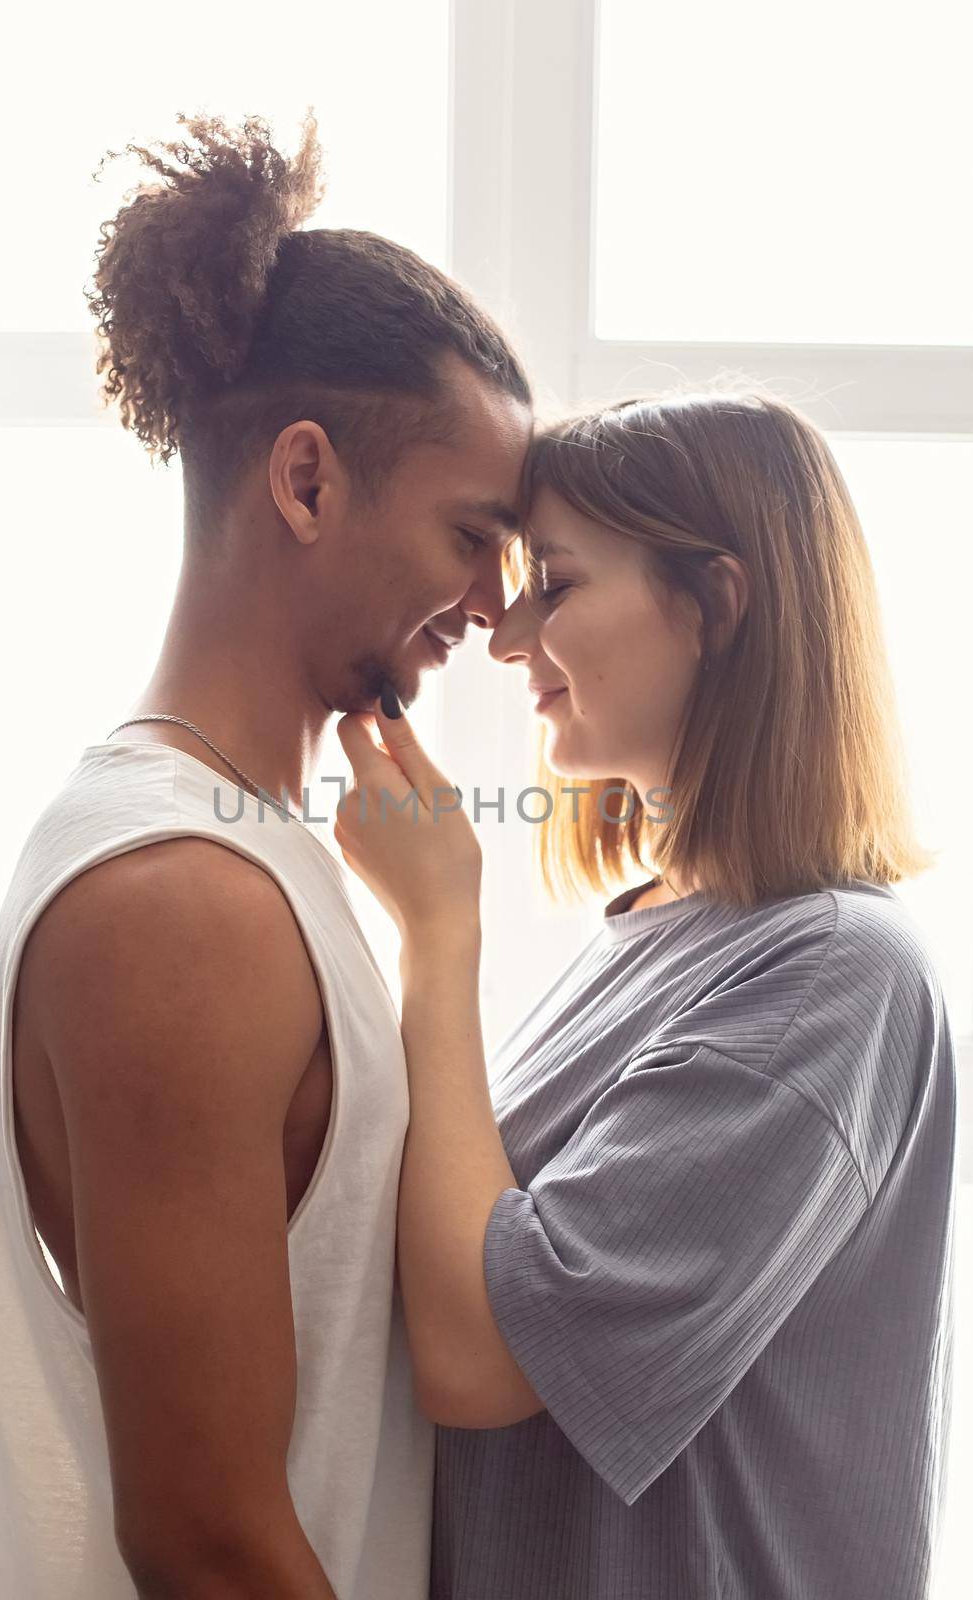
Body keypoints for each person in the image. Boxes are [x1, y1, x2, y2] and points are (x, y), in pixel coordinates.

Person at [0, 112, 533, 1599]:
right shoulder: (180, 904)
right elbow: (207, 1541)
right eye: (471, 532)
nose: (492, 602)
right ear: (302, 481)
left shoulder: (248, 856)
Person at [332, 390, 957, 1600]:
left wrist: (437, 928)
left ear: (714, 605)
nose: (505, 636)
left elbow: (476, 1359)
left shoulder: (832, 977)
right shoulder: (653, 933)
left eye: (552, 585)